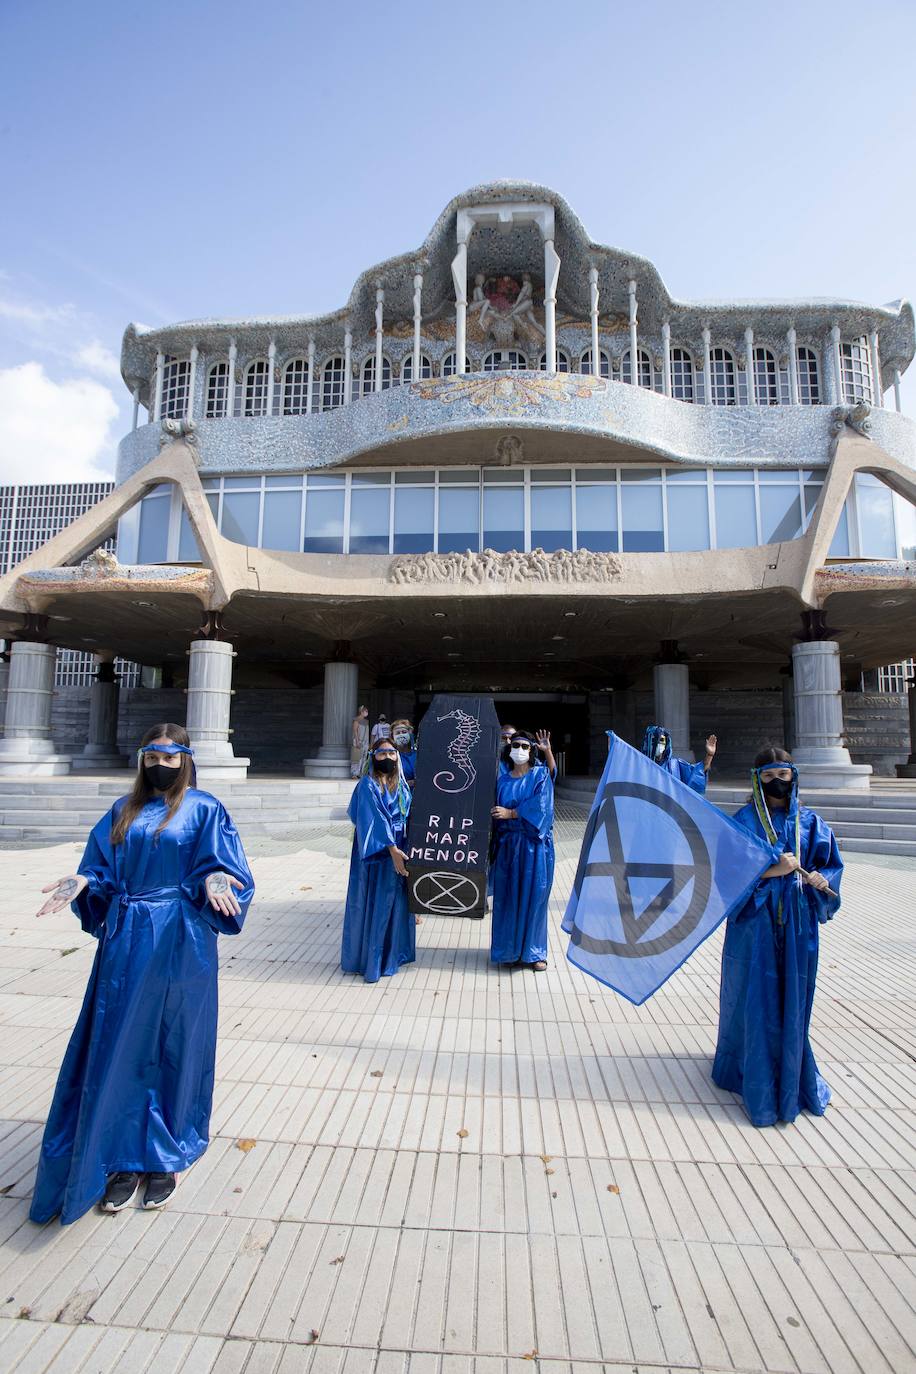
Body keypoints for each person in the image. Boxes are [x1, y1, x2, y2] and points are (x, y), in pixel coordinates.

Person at [29, 723, 254, 1226]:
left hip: (181, 939)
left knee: (173, 1040)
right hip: (127, 940)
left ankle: (165, 1153)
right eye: (152, 756)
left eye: (170, 757)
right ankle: (123, 1152)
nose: (160, 765)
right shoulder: (122, 810)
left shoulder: (204, 809)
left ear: (186, 760)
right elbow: (101, 867)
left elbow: (225, 868)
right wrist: (83, 880)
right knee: (122, 1041)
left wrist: (217, 879)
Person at [711, 746, 843, 1127]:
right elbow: (727, 874)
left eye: (782, 776)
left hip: (798, 926)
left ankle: (791, 1075)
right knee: (753, 998)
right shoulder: (744, 822)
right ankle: (748, 1070)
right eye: (768, 776)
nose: (776, 783)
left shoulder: (811, 824)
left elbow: (830, 866)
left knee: (794, 997)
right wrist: (773, 871)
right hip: (755, 927)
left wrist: (822, 880)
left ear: (793, 777)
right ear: (757, 780)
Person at [341, 738, 415, 982]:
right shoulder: (367, 784)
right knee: (377, 902)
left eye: (392, 753)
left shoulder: (401, 785)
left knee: (396, 902)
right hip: (378, 851)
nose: (388, 758)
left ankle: (393, 956)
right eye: (382, 753)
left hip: (400, 848)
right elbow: (372, 818)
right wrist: (391, 849)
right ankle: (373, 962)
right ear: (373, 756)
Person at [490, 732, 555, 970]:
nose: (519, 749)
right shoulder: (502, 781)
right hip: (508, 847)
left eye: (524, 746)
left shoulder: (540, 775)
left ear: (531, 751)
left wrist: (512, 813)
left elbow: (543, 807)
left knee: (534, 898)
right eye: (515, 745)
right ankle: (508, 952)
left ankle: (534, 953)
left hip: (534, 846)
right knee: (508, 899)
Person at [639, 724, 716, 794]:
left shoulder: (675, 766)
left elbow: (698, 771)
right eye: (654, 740)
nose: (658, 744)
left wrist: (710, 755)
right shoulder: (639, 765)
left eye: (661, 740)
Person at [390, 718, 417, 784]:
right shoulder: (391, 757)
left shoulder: (418, 755)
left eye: (404, 732)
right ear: (392, 737)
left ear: (410, 734)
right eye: (397, 733)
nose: (401, 735)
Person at [351, 705, 369, 779]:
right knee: (356, 757)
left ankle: (361, 773)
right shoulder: (356, 720)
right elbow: (355, 731)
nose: (367, 713)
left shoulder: (366, 721)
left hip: (365, 742)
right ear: (361, 712)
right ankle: (354, 773)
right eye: (365, 711)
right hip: (358, 740)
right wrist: (357, 741)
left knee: (364, 758)